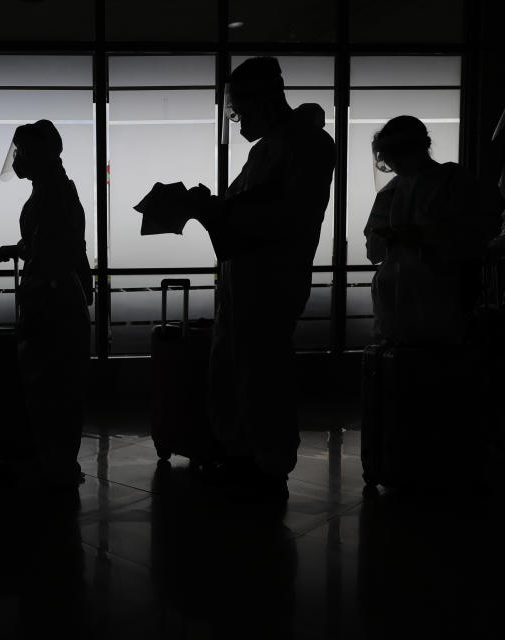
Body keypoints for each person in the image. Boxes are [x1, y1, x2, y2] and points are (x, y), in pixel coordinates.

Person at [185, 57, 336, 502]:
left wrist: (219, 212)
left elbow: (290, 216)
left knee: (262, 375)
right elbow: (244, 205)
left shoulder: (309, 146)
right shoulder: (265, 150)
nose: (239, 122)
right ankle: (241, 455)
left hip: (272, 279)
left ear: (265, 102)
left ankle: (268, 466)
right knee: (232, 368)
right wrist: (213, 207)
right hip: (244, 278)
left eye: (241, 112)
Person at [0, 119, 93, 489]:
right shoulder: (54, 190)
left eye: (21, 152)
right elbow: (50, 241)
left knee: (51, 384)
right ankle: (56, 460)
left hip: (51, 301)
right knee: (55, 383)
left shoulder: (51, 194)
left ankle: (56, 462)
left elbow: (51, 247)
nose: (16, 159)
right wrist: (16, 248)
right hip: (56, 297)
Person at [364, 115, 502, 344]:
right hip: (396, 294)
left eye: (394, 155)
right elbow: (374, 250)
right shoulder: (392, 189)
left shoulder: (453, 179)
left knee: (435, 364)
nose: (391, 164)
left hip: (440, 292)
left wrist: (423, 237)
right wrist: (386, 238)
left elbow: (480, 232)